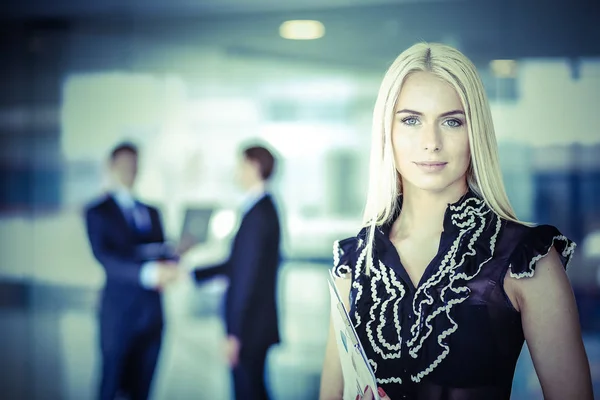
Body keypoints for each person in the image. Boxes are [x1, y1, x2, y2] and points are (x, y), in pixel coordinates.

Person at [319, 43, 593, 400]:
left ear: (474, 131)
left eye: (452, 121)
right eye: (411, 120)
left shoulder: (527, 258)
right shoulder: (355, 260)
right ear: (387, 131)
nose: (431, 142)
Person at [85, 142, 179, 400]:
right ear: (112, 167)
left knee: (143, 389)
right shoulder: (97, 211)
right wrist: (147, 274)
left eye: (134, 164)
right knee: (112, 385)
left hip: (152, 314)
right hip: (119, 315)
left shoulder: (152, 211)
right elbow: (106, 257)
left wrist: (177, 254)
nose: (130, 170)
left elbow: (162, 253)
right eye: (125, 164)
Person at [191, 144, 281, 400]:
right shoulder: (262, 209)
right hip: (254, 325)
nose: (236, 172)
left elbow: (246, 279)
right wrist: (193, 273)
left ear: (253, 166)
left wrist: (235, 334)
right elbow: (239, 265)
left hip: (249, 328)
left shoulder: (258, 214)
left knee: (248, 391)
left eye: (240, 165)